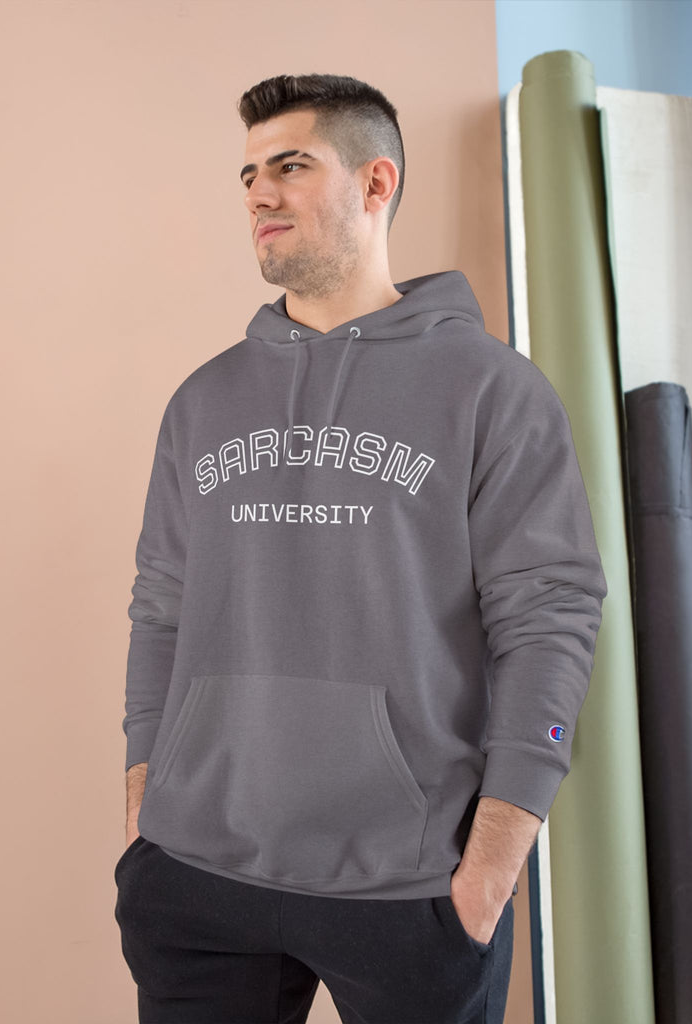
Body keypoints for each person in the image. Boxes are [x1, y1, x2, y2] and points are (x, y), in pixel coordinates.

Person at [114, 73, 606, 1024]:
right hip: (195, 875)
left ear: (377, 184)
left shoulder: (492, 391)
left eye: (291, 166)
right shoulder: (204, 402)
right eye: (250, 173)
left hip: (408, 882)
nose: (259, 193)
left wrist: (495, 862)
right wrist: (145, 802)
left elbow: (549, 619)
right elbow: (160, 606)